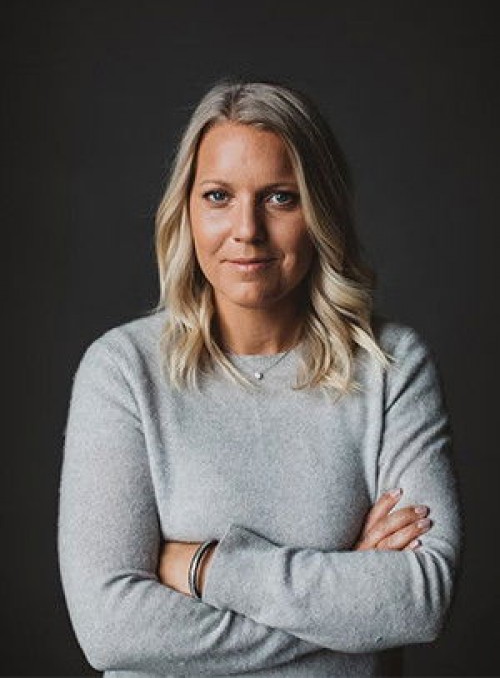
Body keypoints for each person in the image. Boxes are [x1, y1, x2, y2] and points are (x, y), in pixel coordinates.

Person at [57, 78, 463, 677]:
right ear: (187, 209)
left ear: (320, 209)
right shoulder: (123, 371)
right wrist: (345, 611)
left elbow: (420, 599)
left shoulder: (391, 365)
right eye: (218, 196)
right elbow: (110, 629)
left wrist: (206, 568)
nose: (246, 229)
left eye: (280, 197)